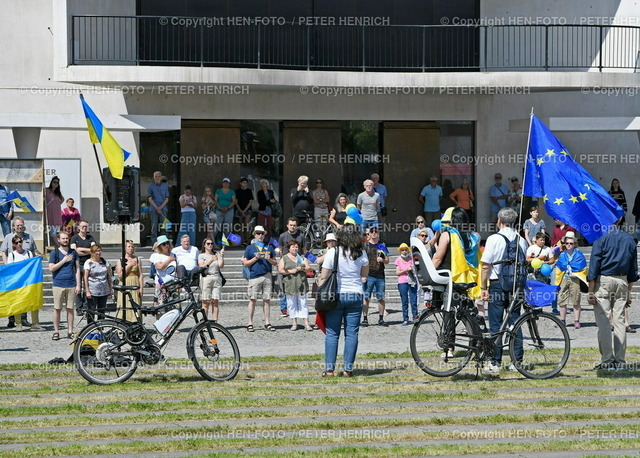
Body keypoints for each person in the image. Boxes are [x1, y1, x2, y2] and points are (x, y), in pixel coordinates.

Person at [480, 207, 529, 373]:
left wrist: (483, 287)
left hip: (497, 284)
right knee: (515, 322)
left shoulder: (493, 239)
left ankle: (495, 362)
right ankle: (517, 361)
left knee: (496, 324)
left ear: (499, 221)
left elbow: (486, 265)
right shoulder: (521, 240)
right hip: (516, 285)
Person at [317, 225, 369, 377]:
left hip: (336, 295)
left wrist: (320, 289)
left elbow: (324, 276)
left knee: (332, 333)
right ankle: (347, 369)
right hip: (355, 294)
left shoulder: (333, 251)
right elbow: (364, 274)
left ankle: (329, 370)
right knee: (352, 333)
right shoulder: (361, 252)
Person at [587, 219, 638, 370]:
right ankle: (621, 361)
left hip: (604, 280)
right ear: (621, 220)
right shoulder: (629, 239)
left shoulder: (601, 239)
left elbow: (593, 267)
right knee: (620, 322)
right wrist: (629, 291)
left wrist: (590, 291)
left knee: (603, 323)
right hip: (622, 280)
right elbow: (633, 270)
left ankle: (607, 360)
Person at [2, 217, 40, 329]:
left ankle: (24, 319)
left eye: (21, 224)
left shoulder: (29, 237)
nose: (20, 226)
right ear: (13, 226)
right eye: (17, 225)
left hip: (27, 275)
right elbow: (4, 252)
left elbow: (34, 252)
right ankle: (11, 320)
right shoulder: (8, 237)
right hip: (13, 273)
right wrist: (6, 266)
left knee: (25, 296)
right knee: (13, 296)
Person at [242, 226, 278, 332]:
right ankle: (250, 323)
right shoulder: (250, 248)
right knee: (252, 299)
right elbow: (245, 263)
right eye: (258, 233)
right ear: (254, 234)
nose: (260, 235)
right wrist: (255, 258)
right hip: (254, 276)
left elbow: (276, 262)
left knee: (267, 300)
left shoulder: (269, 246)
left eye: (262, 233)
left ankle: (267, 322)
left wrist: (270, 259)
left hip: (267, 275)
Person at [6, 235, 43, 331]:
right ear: (13, 244)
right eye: (16, 242)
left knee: (33, 301)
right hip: (17, 282)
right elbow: (11, 268)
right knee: (17, 302)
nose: (19, 244)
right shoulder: (12, 255)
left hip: (29, 281)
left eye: (20, 241)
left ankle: (35, 322)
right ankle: (18, 323)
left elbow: (33, 264)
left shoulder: (29, 253)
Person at [48, 231, 80, 340]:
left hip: (71, 284)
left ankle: (70, 330)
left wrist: (78, 285)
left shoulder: (73, 252)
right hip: (58, 284)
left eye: (67, 238)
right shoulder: (54, 253)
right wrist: (64, 260)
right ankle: (56, 331)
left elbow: (77, 269)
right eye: (63, 238)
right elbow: (51, 268)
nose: (65, 240)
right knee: (57, 308)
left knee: (70, 308)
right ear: (59, 240)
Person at [278, 240, 313, 331]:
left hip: (301, 283)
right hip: (290, 284)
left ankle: (306, 323)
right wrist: (291, 271)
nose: (295, 248)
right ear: (289, 248)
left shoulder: (302, 257)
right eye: (293, 247)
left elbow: (309, 268)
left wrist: (302, 268)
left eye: (296, 246)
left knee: (303, 303)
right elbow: (280, 270)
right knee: (291, 303)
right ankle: (294, 323)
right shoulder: (284, 258)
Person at [554, 233, 586, 328]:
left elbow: (583, 268)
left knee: (576, 300)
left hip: (575, 280)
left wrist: (576, 274)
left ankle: (576, 321)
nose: (569, 245)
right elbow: (559, 268)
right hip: (564, 279)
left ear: (575, 244)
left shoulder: (579, 255)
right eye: (567, 243)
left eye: (571, 243)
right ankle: (562, 321)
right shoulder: (562, 255)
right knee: (562, 300)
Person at [277, 217, 306, 317]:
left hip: (298, 263)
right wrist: (282, 261)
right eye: (291, 225)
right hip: (285, 263)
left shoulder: (301, 236)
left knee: (299, 286)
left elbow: (304, 250)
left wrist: (311, 260)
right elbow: (280, 250)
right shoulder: (282, 236)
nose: (292, 227)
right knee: (283, 286)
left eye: (294, 225)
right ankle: (284, 308)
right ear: (287, 225)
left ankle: (297, 308)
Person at [362, 227, 389, 327]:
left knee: (381, 298)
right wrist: (362, 275)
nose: (374, 233)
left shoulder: (382, 246)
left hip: (380, 275)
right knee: (366, 298)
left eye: (375, 232)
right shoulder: (365, 246)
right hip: (368, 275)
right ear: (368, 234)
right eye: (371, 232)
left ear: (378, 234)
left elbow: (387, 260)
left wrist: (382, 260)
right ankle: (365, 319)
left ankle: (381, 318)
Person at [115, 240, 144, 322]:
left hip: (135, 283)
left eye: (132, 246)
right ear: (125, 248)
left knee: (135, 304)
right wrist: (130, 265)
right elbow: (120, 275)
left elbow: (140, 274)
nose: (131, 248)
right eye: (129, 246)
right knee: (125, 303)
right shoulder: (120, 260)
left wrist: (141, 287)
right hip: (125, 282)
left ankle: (135, 323)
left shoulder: (137, 259)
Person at [84, 244, 112, 325]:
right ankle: (90, 326)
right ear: (92, 252)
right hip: (93, 290)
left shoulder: (104, 261)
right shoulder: (88, 262)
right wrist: (87, 290)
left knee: (102, 310)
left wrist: (110, 288)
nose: (98, 253)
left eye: (99, 251)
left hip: (104, 290)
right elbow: (85, 277)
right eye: (96, 251)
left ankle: (101, 326)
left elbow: (108, 276)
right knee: (91, 310)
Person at [199, 238, 224, 322]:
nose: (210, 245)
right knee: (205, 302)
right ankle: (204, 323)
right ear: (204, 245)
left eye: (212, 243)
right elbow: (201, 266)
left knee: (215, 302)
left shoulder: (216, 254)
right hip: (207, 278)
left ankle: (215, 323)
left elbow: (221, 265)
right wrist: (211, 260)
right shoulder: (201, 255)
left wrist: (221, 256)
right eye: (208, 243)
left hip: (216, 278)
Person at [149, 235, 177, 306]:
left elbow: (177, 269)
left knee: (175, 306)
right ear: (160, 246)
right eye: (164, 244)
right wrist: (169, 260)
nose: (166, 245)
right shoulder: (156, 255)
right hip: (162, 284)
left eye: (167, 243)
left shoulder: (173, 254)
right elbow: (160, 266)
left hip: (173, 283)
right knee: (161, 307)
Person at [395, 243, 418, 326]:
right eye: (402, 250)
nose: (404, 252)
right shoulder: (398, 260)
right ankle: (405, 319)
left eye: (405, 250)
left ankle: (415, 317)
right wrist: (406, 270)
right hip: (402, 282)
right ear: (400, 251)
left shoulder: (412, 259)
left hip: (412, 281)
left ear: (408, 250)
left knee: (413, 300)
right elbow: (397, 273)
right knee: (404, 301)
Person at [148, 171, 169, 240]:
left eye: (158, 176)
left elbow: (167, 199)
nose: (157, 178)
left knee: (165, 227)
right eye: (155, 177)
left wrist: (160, 207)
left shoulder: (165, 186)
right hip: (153, 209)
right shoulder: (150, 186)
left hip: (163, 209)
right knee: (154, 226)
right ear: (153, 178)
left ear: (161, 177)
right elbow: (150, 198)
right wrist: (156, 208)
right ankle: (154, 243)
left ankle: (165, 243)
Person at [214, 178, 236, 245]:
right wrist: (220, 207)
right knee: (216, 226)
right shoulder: (218, 191)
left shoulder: (232, 191)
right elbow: (215, 200)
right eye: (224, 182)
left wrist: (227, 207)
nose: (225, 184)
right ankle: (212, 242)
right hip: (219, 210)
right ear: (222, 183)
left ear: (229, 184)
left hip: (229, 211)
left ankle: (226, 243)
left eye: (227, 182)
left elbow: (234, 201)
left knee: (227, 227)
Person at [235, 177, 254, 246]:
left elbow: (250, 202)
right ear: (240, 183)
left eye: (246, 183)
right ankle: (241, 240)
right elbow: (236, 202)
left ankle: (247, 239)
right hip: (239, 209)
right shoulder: (237, 191)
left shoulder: (249, 191)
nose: (245, 184)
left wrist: (244, 210)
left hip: (247, 210)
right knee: (240, 225)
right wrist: (240, 210)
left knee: (246, 225)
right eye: (243, 183)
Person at [45, 176, 64, 246]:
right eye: (54, 182)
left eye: (57, 183)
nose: (55, 184)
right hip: (49, 213)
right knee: (51, 233)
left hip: (56, 214)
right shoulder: (47, 190)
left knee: (54, 232)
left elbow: (62, 199)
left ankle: (57, 246)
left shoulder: (57, 192)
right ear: (51, 182)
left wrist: (57, 205)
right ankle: (59, 246)